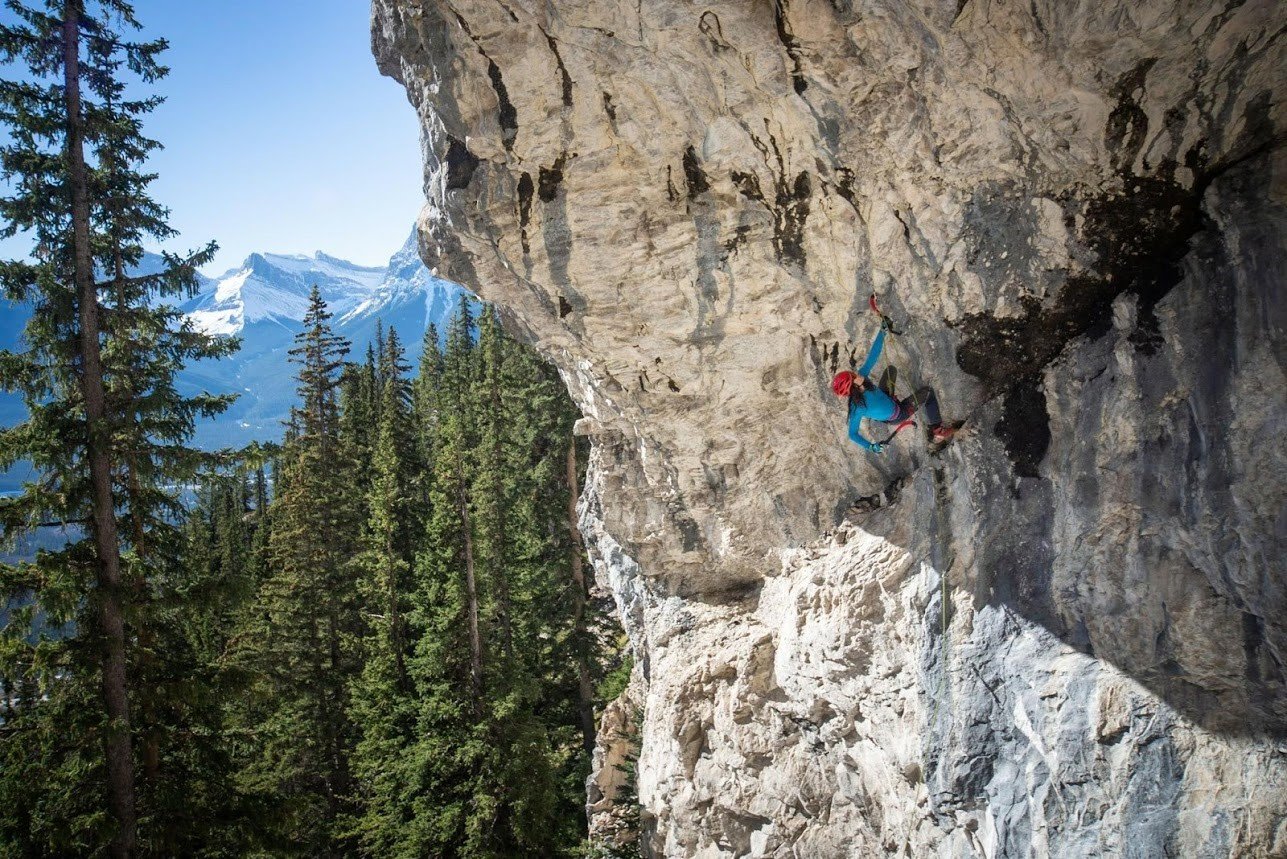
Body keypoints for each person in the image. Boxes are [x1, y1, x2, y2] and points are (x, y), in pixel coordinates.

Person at [832, 327, 956, 453]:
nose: (855, 374)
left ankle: (890, 400)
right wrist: (871, 446)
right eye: (853, 376)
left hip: (887, 401)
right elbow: (852, 434)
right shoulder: (857, 408)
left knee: (891, 371)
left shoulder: (862, 379)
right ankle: (937, 428)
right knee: (928, 393)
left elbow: (873, 356)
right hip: (898, 414)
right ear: (854, 386)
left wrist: (882, 331)